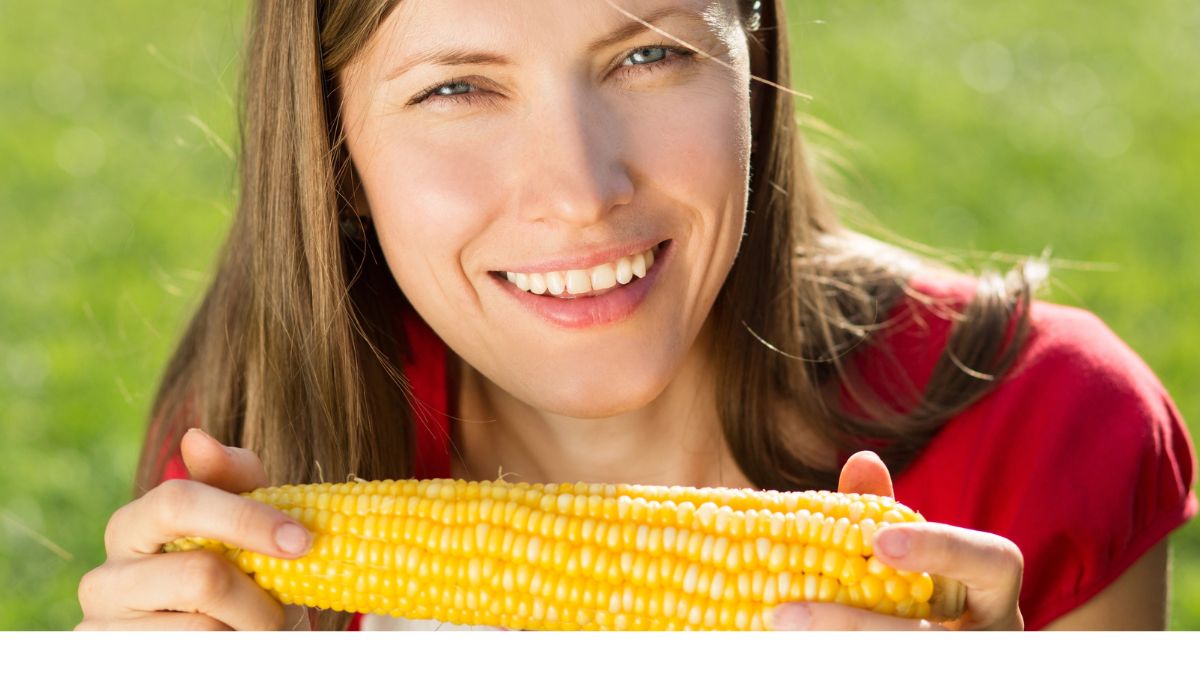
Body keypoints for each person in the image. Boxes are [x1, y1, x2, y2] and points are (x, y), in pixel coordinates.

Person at [75, 0, 1195, 631]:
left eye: (650, 54)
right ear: (334, 149)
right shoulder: (265, 423)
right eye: (457, 88)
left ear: (752, 58)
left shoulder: (1045, 428)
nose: (580, 188)